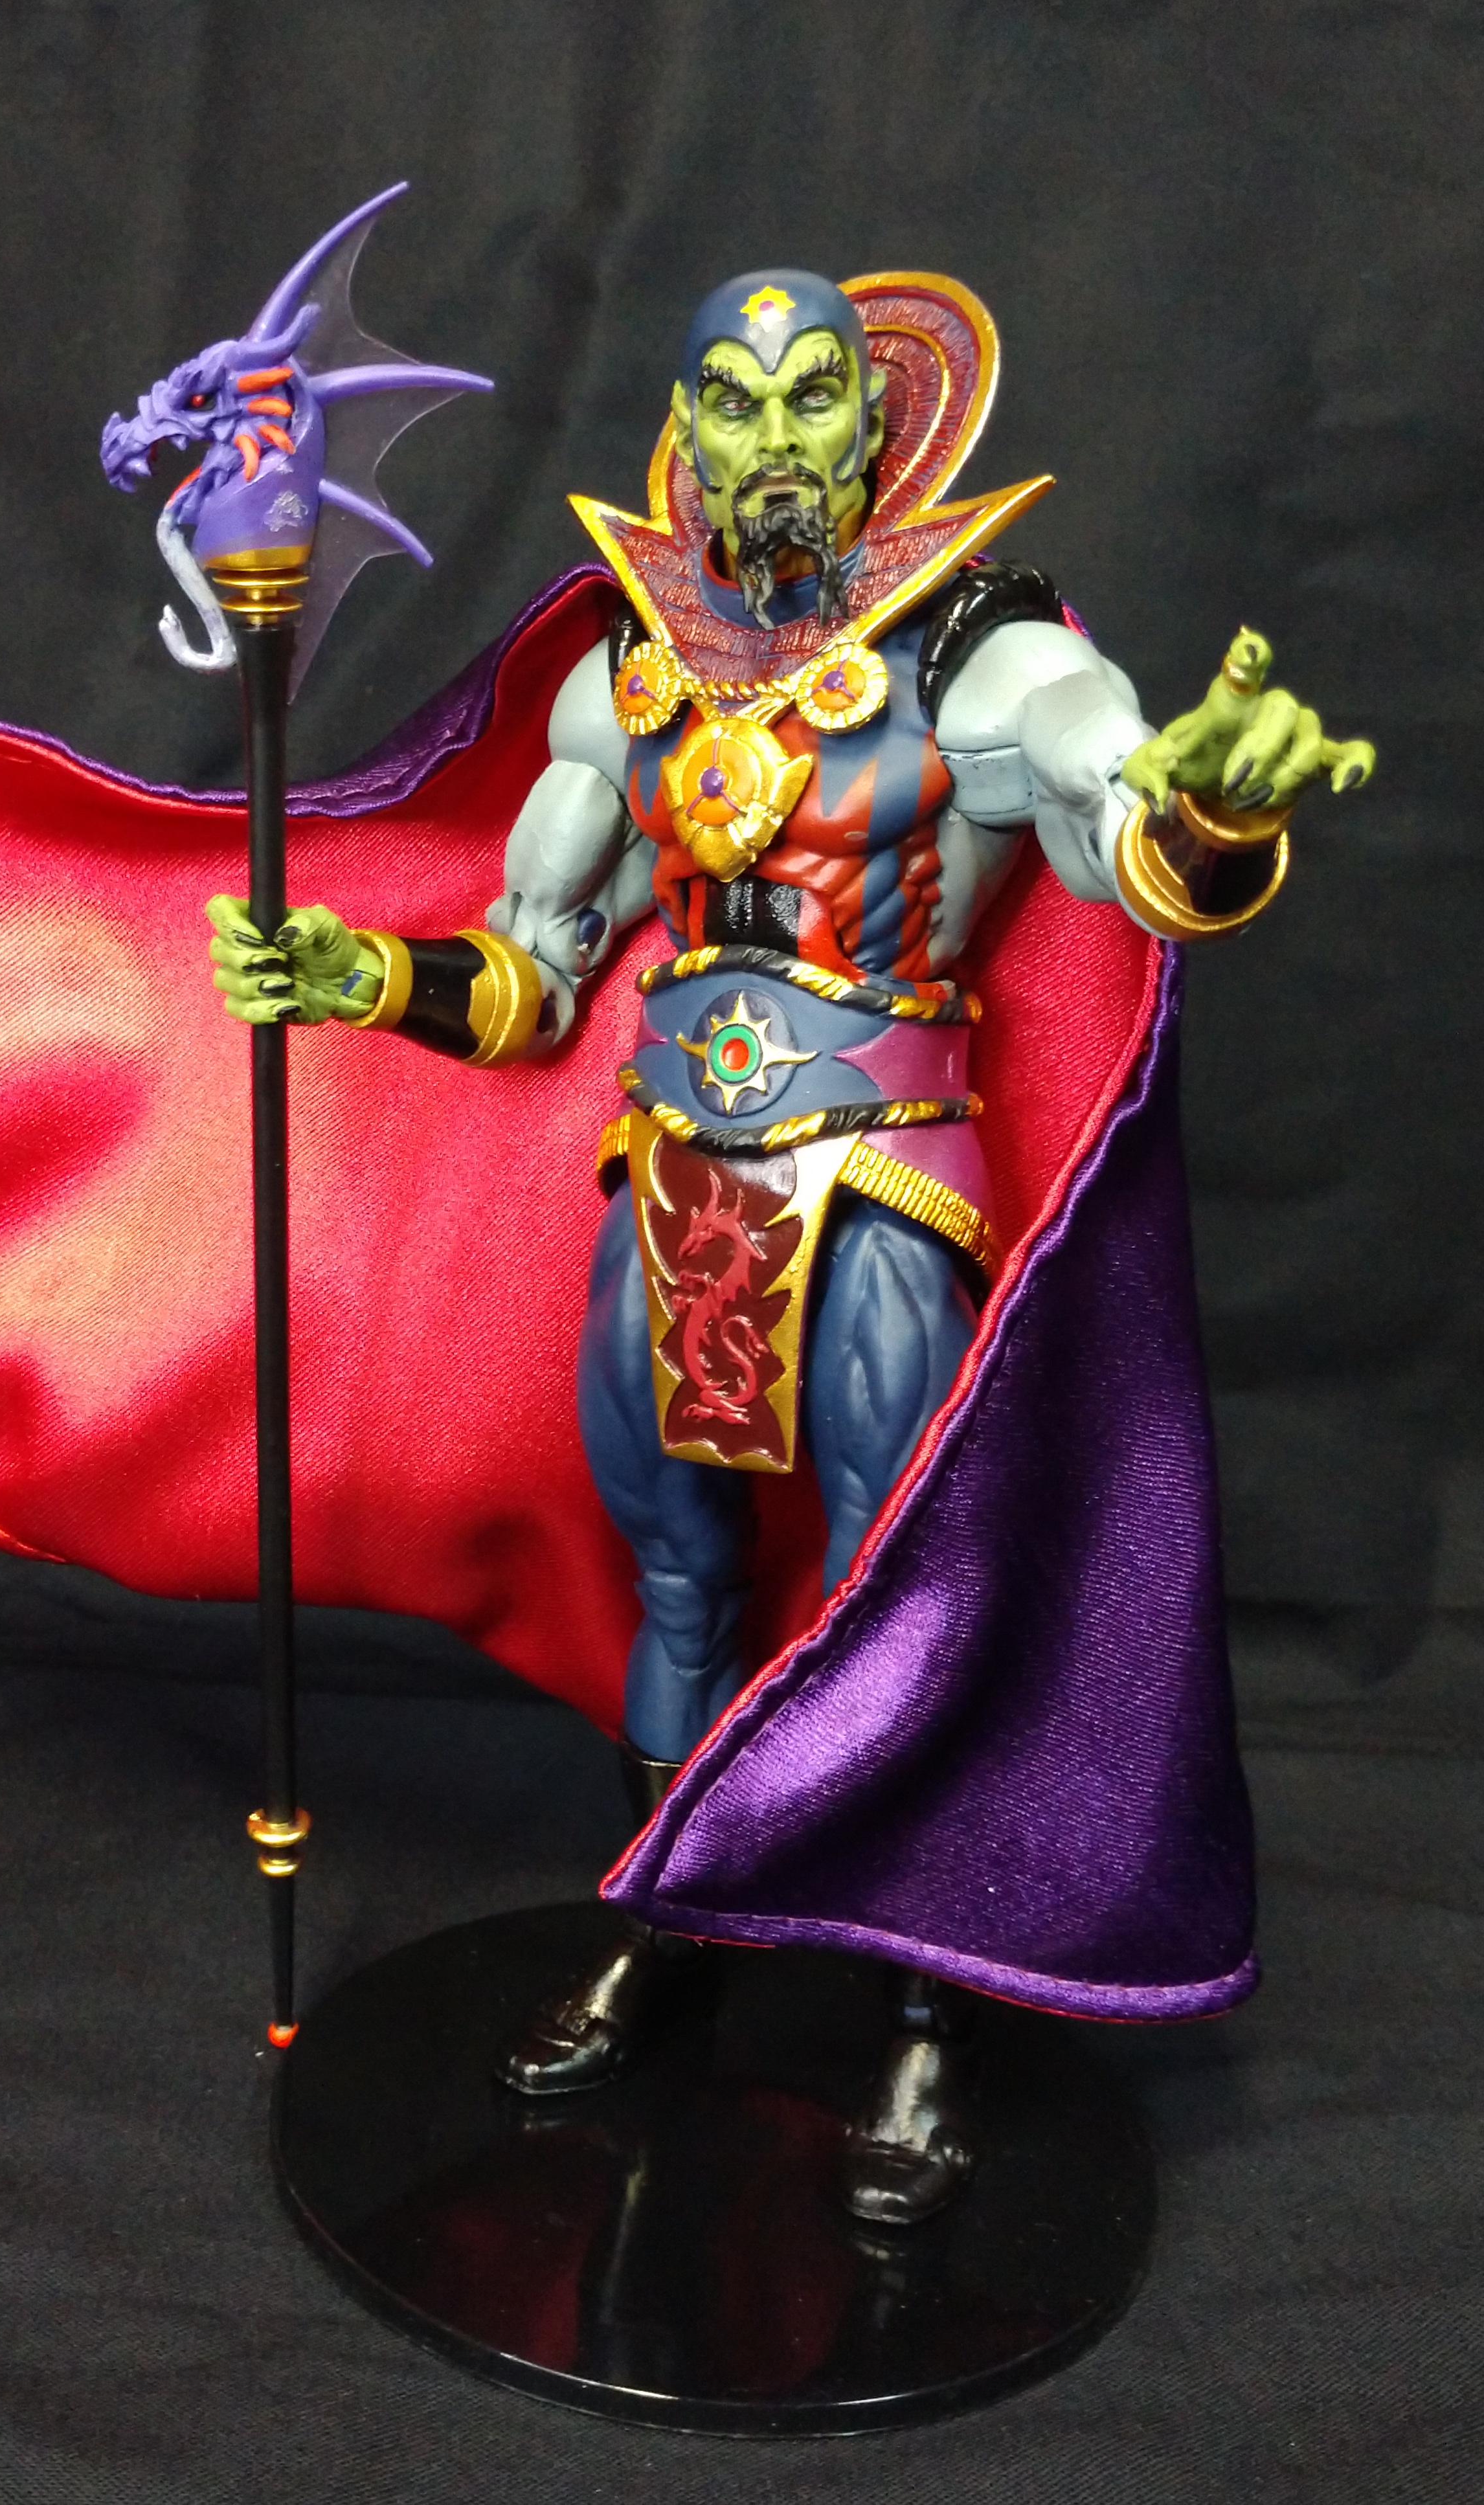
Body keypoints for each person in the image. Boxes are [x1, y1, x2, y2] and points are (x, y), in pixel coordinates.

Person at [205, 267, 1373, 2219]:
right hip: (674, 1176)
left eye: (813, 396)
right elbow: (536, 970)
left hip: (886, 1178)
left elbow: (1106, 802)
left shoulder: (977, 647)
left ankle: (925, 1999)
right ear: (686, 429)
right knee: (673, 1573)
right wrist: (366, 975)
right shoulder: (629, 678)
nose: (772, 439)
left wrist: (1200, 805)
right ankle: (681, 1917)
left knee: (895, 1595)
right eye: (734, 402)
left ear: (878, 424)